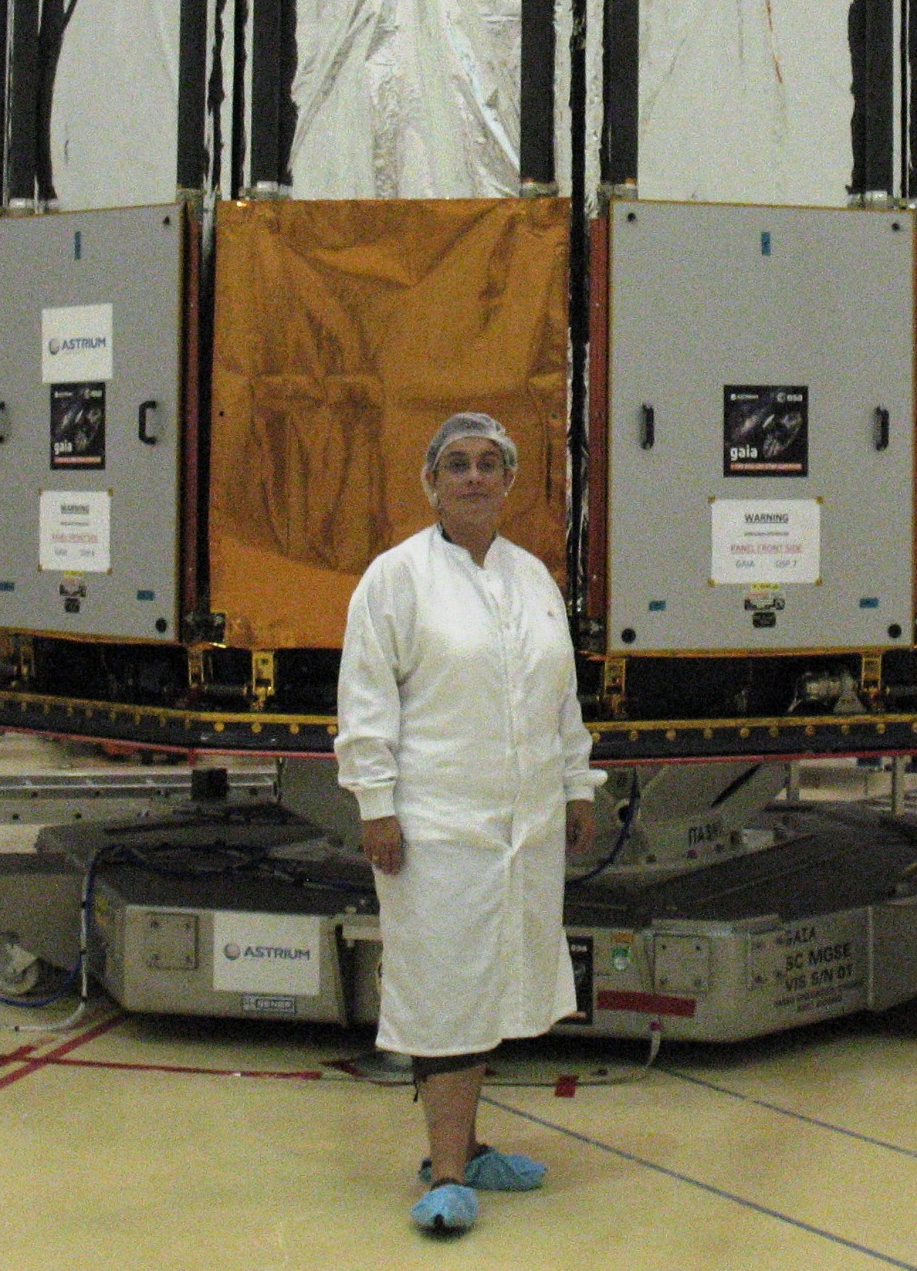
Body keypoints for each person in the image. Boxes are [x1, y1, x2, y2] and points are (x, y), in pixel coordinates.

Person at [335, 412, 603, 1238]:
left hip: (523, 828)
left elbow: (559, 697)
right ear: (431, 481)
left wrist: (577, 785)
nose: (475, 477)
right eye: (458, 464)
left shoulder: (533, 578)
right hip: (435, 826)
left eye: (490, 464)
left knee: (491, 986)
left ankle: (472, 1145)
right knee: (446, 989)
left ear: (509, 480)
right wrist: (375, 805)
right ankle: (446, 1171)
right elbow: (367, 704)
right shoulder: (395, 577)